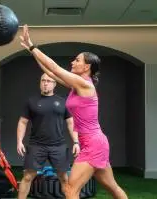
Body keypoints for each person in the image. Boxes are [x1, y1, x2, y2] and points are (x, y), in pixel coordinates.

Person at [19, 24, 128, 199]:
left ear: (87, 67)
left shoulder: (84, 85)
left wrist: (32, 46)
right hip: (94, 143)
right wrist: (32, 51)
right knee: (112, 187)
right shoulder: (76, 85)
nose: (72, 62)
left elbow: (55, 68)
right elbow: (50, 72)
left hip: (93, 144)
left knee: (70, 189)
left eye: (77, 60)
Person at [17, 73, 80, 199]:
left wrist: (76, 142)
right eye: (43, 80)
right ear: (40, 83)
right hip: (36, 145)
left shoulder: (63, 102)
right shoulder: (32, 101)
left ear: (54, 84)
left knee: (63, 177)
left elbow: (71, 123)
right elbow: (23, 122)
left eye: (49, 81)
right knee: (28, 176)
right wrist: (19, 141)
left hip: (58, 146)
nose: (45, 83)